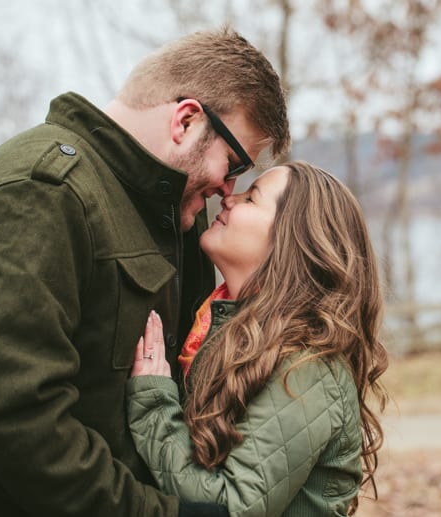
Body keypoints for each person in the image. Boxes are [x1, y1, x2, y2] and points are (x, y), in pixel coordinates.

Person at [0, 27, 289, 517]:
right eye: (233, 164)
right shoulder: (41, 192)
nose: (229, 190)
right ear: (186, 121)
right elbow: (15, 420)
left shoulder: (177, 212)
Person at [127, 161, 389, 516]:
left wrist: (154, 406)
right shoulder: (224, 334)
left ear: (291, 241)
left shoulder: (305, 368)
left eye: (251, 199)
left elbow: (230, 507)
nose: (229, 199)